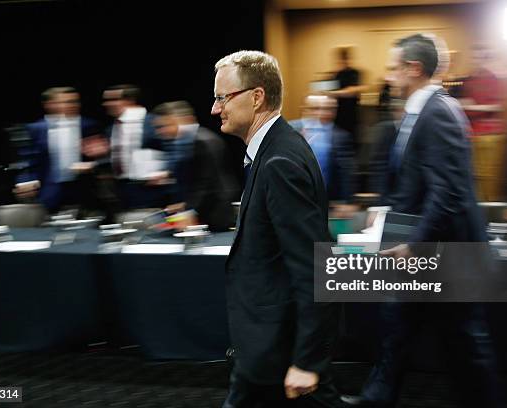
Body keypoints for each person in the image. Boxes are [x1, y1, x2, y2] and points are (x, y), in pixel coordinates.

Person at [341, 34, 501, 408]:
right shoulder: (421, 112)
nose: (389, 75)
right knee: (398, 331)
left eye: (393, 67)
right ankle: (376, 400)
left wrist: (413, 243)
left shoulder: (438, 113)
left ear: (413, 69)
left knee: (465, 346)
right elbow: (415, 183)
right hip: (428, 250)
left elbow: (446, 193)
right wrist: (386, 214)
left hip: (447, 255)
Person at [211, 50, 342, 407]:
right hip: (267, 349)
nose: (215, 108)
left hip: (277, 352)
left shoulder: (279, 161)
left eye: (222, 97)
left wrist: (307, 361)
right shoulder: (275, 149)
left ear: (256, 97)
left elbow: (316, 267)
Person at [151, 101, 239, 231]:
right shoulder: (193, 139)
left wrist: (189, 212)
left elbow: (206, 183)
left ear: (179, 121)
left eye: (164, 126)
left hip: (214, 214)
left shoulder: (201, 141)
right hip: (206, 210)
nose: (160, 132)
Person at [14, 87, 102, 213]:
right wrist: (24, 181)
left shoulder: (89, 125)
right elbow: (25, 159)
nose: (73, 105)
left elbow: (102, 156)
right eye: (67, 102)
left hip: (84, 190)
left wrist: (94, 164)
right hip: (47, 190)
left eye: (75, 101)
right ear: (49, 105)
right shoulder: (34, 129)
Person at [102, 84, 167, 209]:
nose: (107, 104)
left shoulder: (155, 122)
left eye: (113, 100)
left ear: (130, 100)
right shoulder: (111, 128)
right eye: (106, 100)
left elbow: (173, 150)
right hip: (123, 191)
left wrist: (166, 172)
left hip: (153, 190)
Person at [290, 94, 356, 203]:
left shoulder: (341, 137)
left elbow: (346, 173)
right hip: (294, 198)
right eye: (315, 109)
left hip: (327, 202)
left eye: (327, 109)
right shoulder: (290, 130)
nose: (321, 113)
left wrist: (347, 201)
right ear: (304, 110)